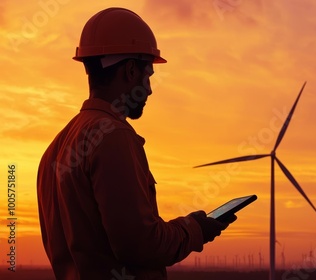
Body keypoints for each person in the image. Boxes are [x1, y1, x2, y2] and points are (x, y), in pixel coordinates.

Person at [37, 7, 235, 280]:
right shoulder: (112, 137)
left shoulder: (55, 148)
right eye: (148, 75)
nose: (150, 89)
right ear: (130, 70)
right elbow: (140, 245)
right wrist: (196, 229)